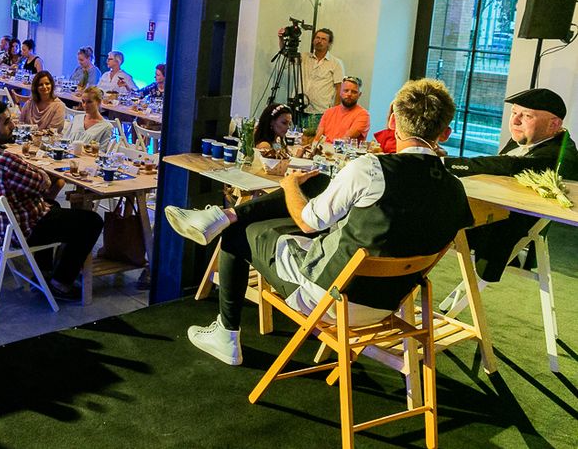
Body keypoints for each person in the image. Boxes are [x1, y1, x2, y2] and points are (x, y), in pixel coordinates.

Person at [165, 78, 472, 366]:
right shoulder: (455, 190)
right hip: (388, 302)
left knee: (239, 232)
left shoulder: (370, 169)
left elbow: (308, 223)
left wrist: (289, 185)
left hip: (330, 296)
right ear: (445, 133)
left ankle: (226, 333)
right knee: (319, 181)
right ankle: (222, 216)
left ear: (392, 121)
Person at [0, 101, 104, 301]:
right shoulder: (5, 161)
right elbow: (44, 183)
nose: (13, 125)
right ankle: (61, 283)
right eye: (6, 122)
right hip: (21, 231)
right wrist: (36, 169)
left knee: (53, 206)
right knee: (91, 221)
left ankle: (43, 273)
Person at [445, 88, 578, 282]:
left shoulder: (559, 154)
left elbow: (508, 165)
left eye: (526, 116)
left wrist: (446, 164)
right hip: (489, 215)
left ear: (554, 124)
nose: (515, 121)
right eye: (514, 112)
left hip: (500, 233)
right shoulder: (531, 137)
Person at [301, 28, 345, 130]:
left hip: (320, 112)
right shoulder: (304, 57)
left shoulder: (335, 63)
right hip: (300, 109)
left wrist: (335, 112)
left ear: (329, 44)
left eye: (323, 39)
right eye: (317, 38)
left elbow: (340, 88)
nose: (319, 41)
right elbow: (286, 56)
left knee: (316, 139)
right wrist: (281, 39)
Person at [314, 76, 370, 141]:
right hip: (324, 147)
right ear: (340, 92)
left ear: (359, 95)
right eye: (346, 90)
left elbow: (345, 140)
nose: (349, 94)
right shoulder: (328, 112)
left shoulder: (363, 115)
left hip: (342, 147)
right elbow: (317, 138)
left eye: (354, 92)